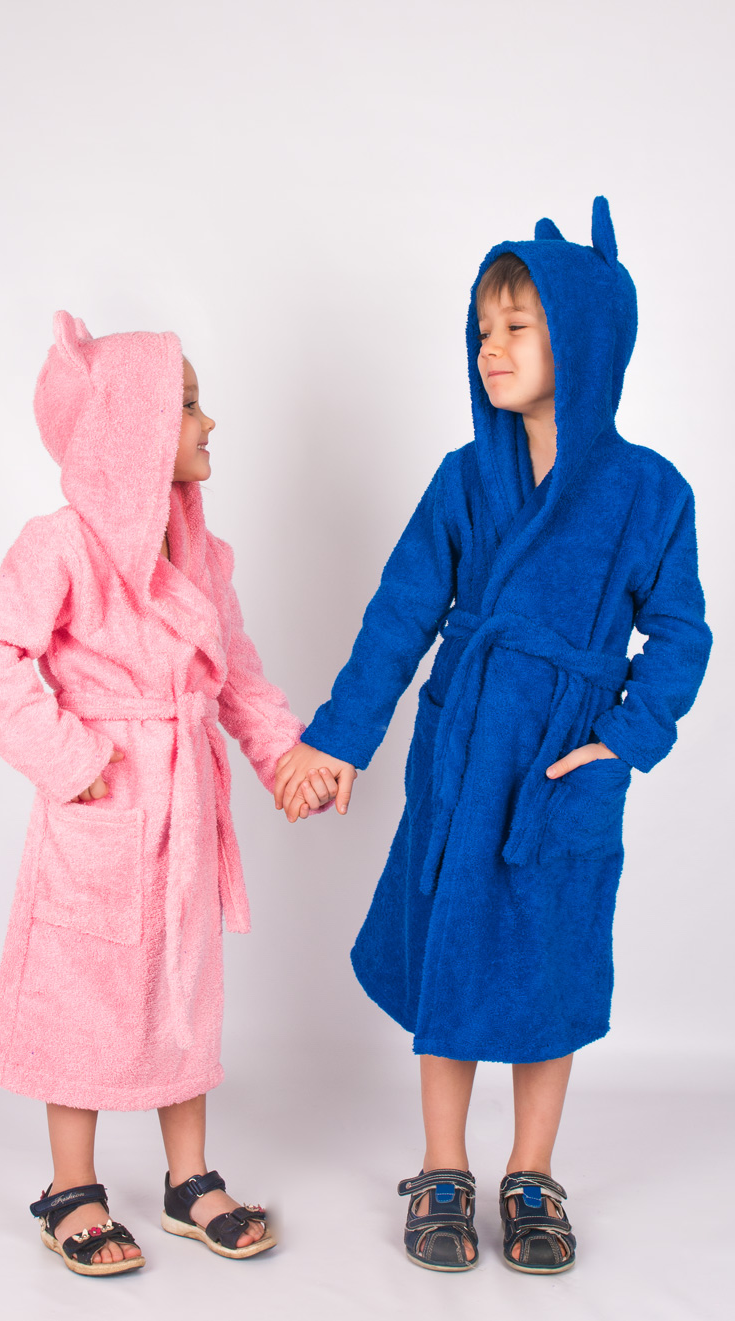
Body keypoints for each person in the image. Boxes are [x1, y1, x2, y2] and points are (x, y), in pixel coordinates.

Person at [274, 198, 712, 1274]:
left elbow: (682, 633)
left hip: (559, 765)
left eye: (519, 326)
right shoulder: (465, 479)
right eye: (481, 328)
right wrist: (340, 738)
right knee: (451, 951)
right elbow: (399, 615)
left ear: (586, 341)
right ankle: (441, 1166)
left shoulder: (650, 492)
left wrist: (623, 740)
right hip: (465, 754)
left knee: (549, 962)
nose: (491, 348)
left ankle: (531, 1171)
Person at [0, 313, 305, 1275]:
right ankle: (72, 1187)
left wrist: (285, 760)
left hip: (184, 805)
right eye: (186, 405)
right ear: (130, 430)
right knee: (84, 992)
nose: (208, 422)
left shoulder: (205, 556)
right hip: (103, 804)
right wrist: (70, 757)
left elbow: (238, 677)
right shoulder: (61, 544)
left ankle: (189, 1181)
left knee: (184, 985)